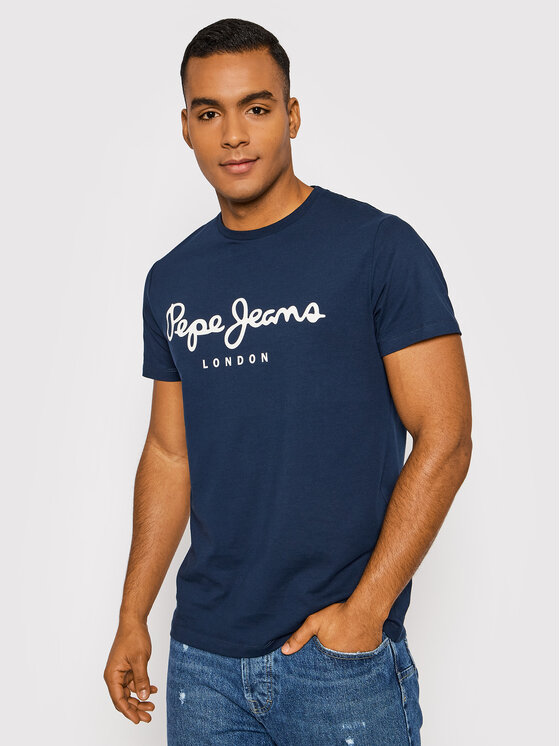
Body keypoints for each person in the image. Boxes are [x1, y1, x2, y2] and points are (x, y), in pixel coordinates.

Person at [104, 17, 472, 745]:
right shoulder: (172, 279)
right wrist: (132, 614)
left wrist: (365, 614)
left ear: (292, 115)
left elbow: (447, 437)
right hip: (203, 661)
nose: (234, 135)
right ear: (186, 128)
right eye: (210, 113)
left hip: (339, 664)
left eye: (257, 107)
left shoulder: (378, 248)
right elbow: (170, 453)